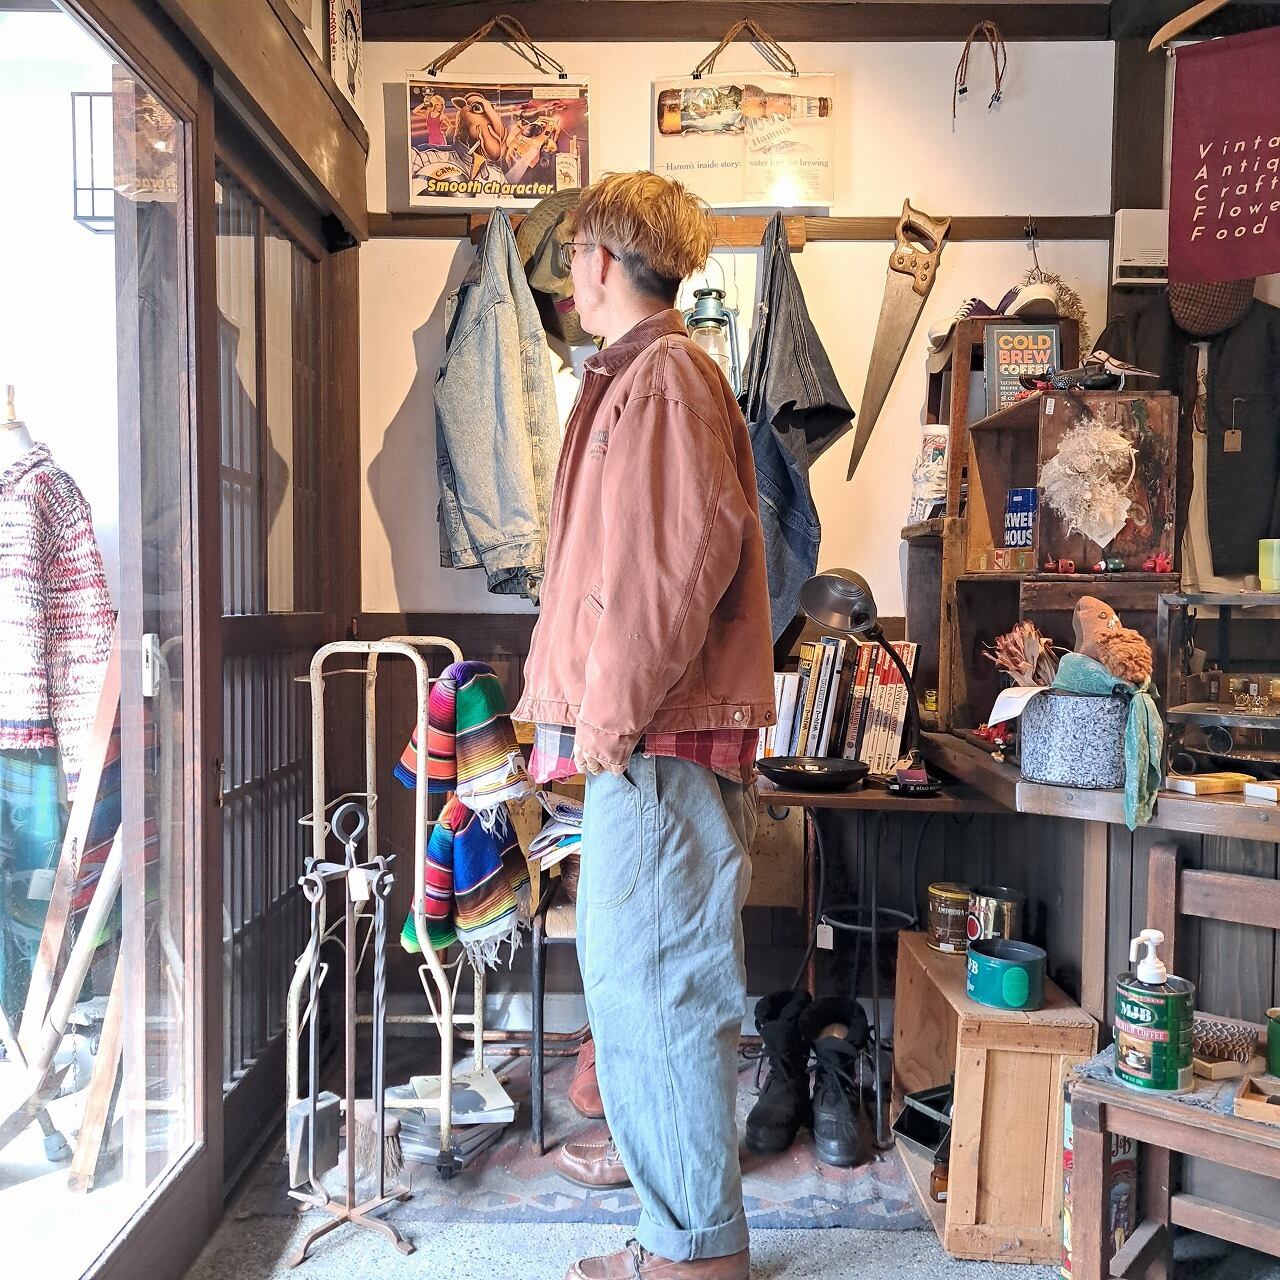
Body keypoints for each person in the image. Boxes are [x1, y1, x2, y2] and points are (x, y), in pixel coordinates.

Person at [513, 171, 775, 1280]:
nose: (569, 275)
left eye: (574, 253)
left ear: (603, 259)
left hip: (654, 745)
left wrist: (608, 722)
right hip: (648, 742)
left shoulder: (661, 377)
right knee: (643, 990)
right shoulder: (644, 374)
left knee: (660, 992)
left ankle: (692, 1258)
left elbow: (670, 569)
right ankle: (681, 1236)